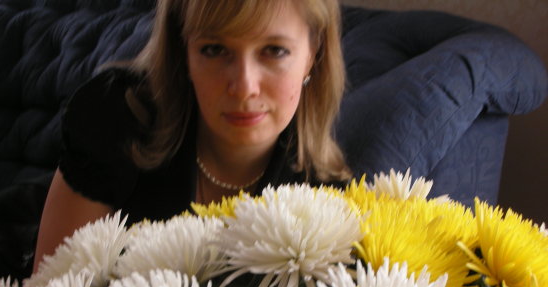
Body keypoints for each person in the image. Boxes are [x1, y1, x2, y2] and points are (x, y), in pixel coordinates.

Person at [33, 0, 351, 272]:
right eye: (214, 50)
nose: (244, 87)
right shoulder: (116, 119)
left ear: (313, 54)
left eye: (274, 51)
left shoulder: (329, 203)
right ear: (182, 51)